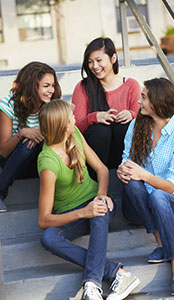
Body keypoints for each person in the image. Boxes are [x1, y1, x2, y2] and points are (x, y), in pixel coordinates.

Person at [37, 99, 140, 300]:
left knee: (99, 211)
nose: (75, 119)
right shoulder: (48, 163)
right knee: (48, 238)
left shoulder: (75, 134)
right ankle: (116, 273)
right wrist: (84, 212)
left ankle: (92, 283)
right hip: (73, 215)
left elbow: (102, 169)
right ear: (62, 126)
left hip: (96, 202)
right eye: (71, 118)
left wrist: (102, 195)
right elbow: (43, 220)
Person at [117, 78, 174, 296]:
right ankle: (162, 242)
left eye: (143, 97)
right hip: (138, 203)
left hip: (169, 203)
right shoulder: (137, 124)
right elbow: (126, 158)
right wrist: (123, 169)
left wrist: (145, 175)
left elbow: (170, 186)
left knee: (159, 195)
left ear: (157, 103)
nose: (139, 101)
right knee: (132, 182)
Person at [72, 37, 140, 180]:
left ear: (113, 58)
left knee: (123, 127)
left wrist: (132, 114)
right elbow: (75, 127)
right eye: (90, 62)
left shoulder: (131, 85)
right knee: (100, 130)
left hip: (122, 155)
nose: (94, 66)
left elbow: (144, 123)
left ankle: (128, 179)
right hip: (94, 156)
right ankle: (94, 184)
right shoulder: (83, 87)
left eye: (99, 60)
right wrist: (94, 117)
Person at [0, 61, 61, 212]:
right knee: (28, 143)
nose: (51, 90)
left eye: (53, 85)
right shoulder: (8, 105)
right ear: (32, 86)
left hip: (42, 162)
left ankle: (61, 195)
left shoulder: (51, 104)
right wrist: (22, 133)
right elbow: (3, 151)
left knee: (44, 141)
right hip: (15, 162)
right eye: (46, 86)